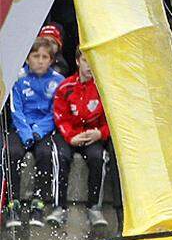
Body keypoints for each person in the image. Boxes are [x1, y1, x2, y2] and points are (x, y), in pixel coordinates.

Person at [2, 38, 69, 228]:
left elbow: (55, 112)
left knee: (45, 153)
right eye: (35, 56)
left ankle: (38, 202)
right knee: (11, 152)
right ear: (27, 58)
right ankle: (12, 203)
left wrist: (39, 132)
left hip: (45, 130)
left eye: (44, 57)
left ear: (51, 60)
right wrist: (26, 134)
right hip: (22, 128)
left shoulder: (58, 81)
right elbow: (16, 110)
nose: (40, 61)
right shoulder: (18, 79)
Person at [52, 49, 118, 229]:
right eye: (86, 61)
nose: (90, 66)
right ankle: (59, 207)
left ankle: (94, 208)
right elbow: (60, 116)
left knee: (99, 158)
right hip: (71, 135)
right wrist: (71, 137)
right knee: (60, 156)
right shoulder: (65, 87)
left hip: (92, 136)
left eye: (93, 61)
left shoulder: (103, 89)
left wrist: (100, 134)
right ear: (77, 62)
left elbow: (112, 120)